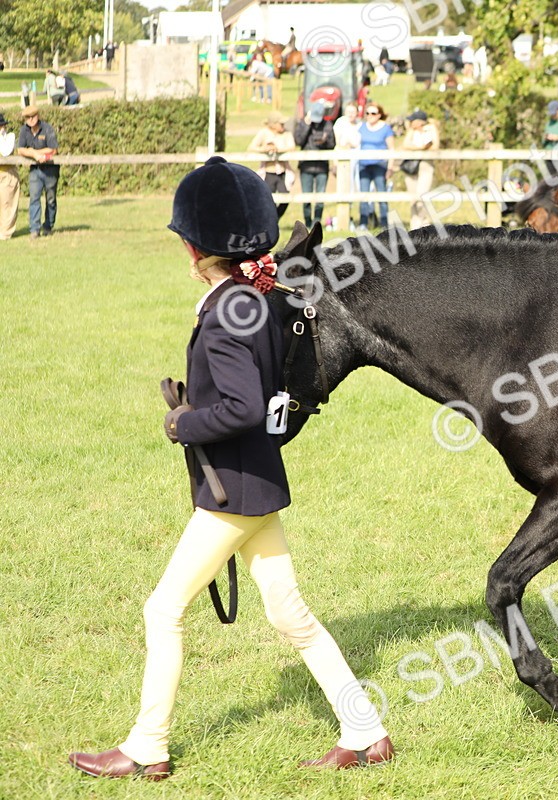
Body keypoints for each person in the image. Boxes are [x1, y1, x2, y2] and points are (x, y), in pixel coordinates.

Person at [67, 155, 393, 781]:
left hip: (231, 492)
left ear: (193, 249)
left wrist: (181, 422)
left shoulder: (224, 313)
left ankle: (146, 746)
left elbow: (242, 406)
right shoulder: (259, 300)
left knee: (162, 611)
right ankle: (366, 729)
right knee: (289, 612)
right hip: (258, 481)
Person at [16, 105, 59, 238]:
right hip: (35, 170)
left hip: (50, 169)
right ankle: (34, 229)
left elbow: (53, 149)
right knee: (34, 198)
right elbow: (20, 149)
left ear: (38, 116)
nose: (31, 119)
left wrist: (33, 152)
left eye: (33, 116)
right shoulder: (24, 130)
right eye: (28, 117)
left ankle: (48, 225)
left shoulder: (47, 128)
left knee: (50, 199)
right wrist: (33, 154)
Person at [294, 104, 335, 230]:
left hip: (322, 166)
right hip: (306, 166)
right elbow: (298, 141)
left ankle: (317, 223)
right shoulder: (303, 123)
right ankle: (307, 222)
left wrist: (325, 141)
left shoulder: (327, 125)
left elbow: (332, 144)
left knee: (320, 196)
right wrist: (306, 125)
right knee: (306, 196)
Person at [247, 110, 295, 218]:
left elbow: (292, 147)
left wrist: (279, 149)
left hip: (282, 171)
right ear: (273, 124)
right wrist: (264, 149)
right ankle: (270, 219)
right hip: (269, 172)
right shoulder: (264, 133)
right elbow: (251, 147)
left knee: (285, 197)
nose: (283, 126)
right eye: (280, 123)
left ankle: (275, 218)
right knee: (268, 199)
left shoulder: (286, 133)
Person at [357, 102, 396, 232]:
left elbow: (392, 149)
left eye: (373, 113)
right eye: (367, 113)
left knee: (382, 195)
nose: (370, 116)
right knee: (363, 194)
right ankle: (363, 222)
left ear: (379, 115)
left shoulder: (385, 128)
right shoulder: (361, 127)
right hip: (364, 165)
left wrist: (390, 167)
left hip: (380, 165)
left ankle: (384, 223)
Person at [398, 109, 439, 229]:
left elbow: (435, 146)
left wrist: (418, 148)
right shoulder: (412, 131)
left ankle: (425, 226)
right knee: (413, 199)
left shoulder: (431, 129)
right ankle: (414, 226)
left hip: (425, 165)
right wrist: (420, 148)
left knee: (422, 196)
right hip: (412, 166)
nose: (410, 123)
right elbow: (405, 145)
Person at [0, 112, 17, 240]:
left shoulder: (10, 137)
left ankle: (5, 233)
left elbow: (5, 152)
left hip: (7, 173)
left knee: (7, 203)